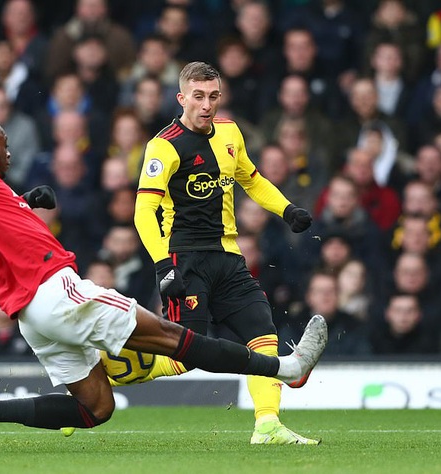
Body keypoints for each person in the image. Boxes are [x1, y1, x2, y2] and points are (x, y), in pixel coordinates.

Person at [0, 116, 327, 452]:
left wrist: (27, 201)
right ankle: (286, 369)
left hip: (30, 315)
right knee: (178, 338)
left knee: (95, 408)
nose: (8, 155)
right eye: (4, 148)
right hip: (56, 290)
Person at [126, 62, 319, 445]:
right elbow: (143, 211)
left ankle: (267, 425)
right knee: (184, 355)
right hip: (185, 258)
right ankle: (105, 373)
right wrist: (165, 265)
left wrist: (286, 210)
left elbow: (251, 178)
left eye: (213, 96)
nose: (206, 104)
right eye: (197, 96)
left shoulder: (230, 132)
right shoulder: (163, 146)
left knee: (262, 330)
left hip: (228, 255)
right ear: (181, 98)